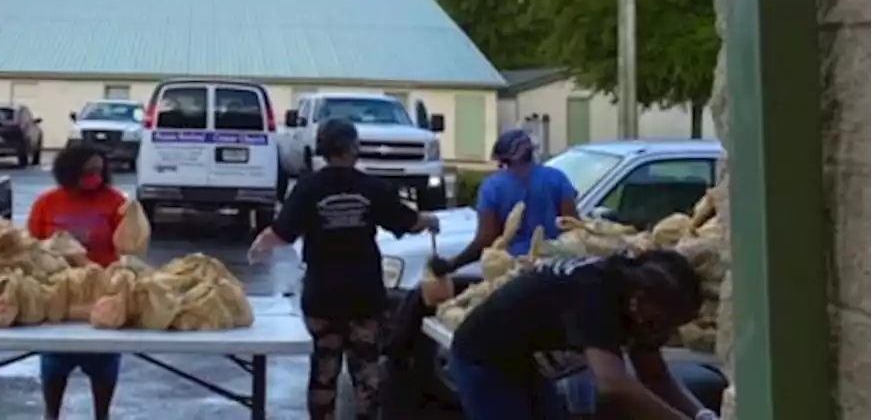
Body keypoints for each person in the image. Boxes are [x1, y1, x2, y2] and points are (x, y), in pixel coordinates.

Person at [247, 118, 440, 420]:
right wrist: (430, 220)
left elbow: (282, 233)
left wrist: (259, 246)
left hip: (322, 295)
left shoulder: (308, 188)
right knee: (367, 373)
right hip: (364, 294)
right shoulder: (370, 187)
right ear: (353, 148)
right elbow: (409, 222)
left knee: (324, 370)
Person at [449, 250, 718, 420]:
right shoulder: (593, 294)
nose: (664, 332)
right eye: (662, 323)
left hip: (522, 360)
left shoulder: (636, 300)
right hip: (482, 357)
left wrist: (702, 414)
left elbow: (653, 375)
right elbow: (613, 387)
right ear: (640, 300)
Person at [25, 145, 126, 420]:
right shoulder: (47, 203)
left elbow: (128, 246)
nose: (94, 176)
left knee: (104, 360)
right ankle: (51, 414)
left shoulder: (115, 202)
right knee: (55, 360)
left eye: (99, 170)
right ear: (70, 172)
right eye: (87, 171)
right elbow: (31, 248)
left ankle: (102, 415)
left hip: (100, 293)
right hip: (59, 293)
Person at [440, 128, 578, 273]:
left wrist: (453, 264)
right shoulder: (557, 178)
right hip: (554, 269)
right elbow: (572, 227)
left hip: (511, 272)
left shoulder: (492, 187)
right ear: (530, 152)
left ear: (503, 159)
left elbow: (486, 239)